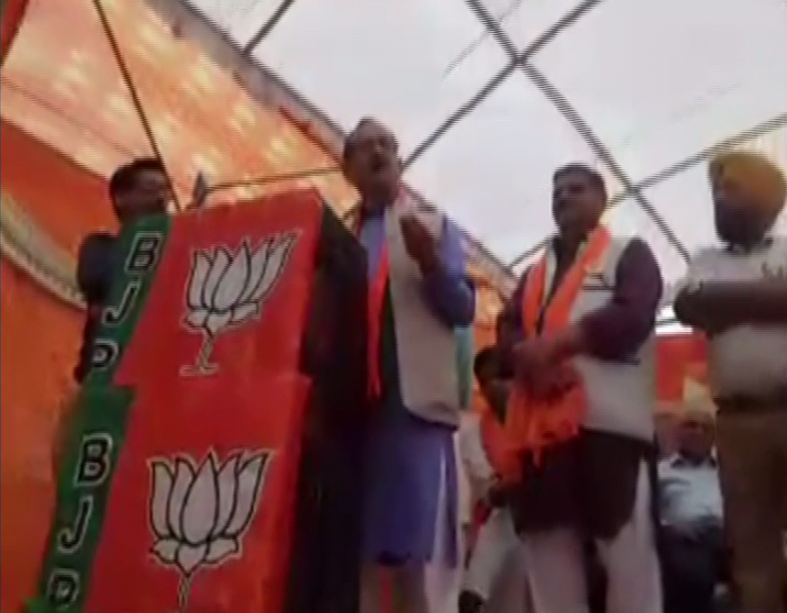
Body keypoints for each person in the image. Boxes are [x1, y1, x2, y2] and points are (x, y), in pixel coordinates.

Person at [499, 163, 663, 613]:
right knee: (550, 562)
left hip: (610, 430)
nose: (563, 197)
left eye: (576, 189)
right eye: (556, 192)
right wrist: (530, 364)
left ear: (602, 198)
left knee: (629, 564)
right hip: (541, 438)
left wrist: (559, 345)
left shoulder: (630, 253)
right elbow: (508, 329)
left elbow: (634, 314)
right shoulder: (533, 273)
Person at [342, 118, 475, 613]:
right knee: (363, 560)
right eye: (364, 147)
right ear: (347, 168)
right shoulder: (339, 236)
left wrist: (430, 263)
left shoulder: (434, 226)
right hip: (355, 416)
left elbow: (462, 310)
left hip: (413, 410)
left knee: (418, 558)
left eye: (387, 144)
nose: (378, 152)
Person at [674, 150, 787, 613]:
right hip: (738, 425)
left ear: (766, 199)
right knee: (752, 560)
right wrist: (772, 298)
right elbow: (688, 307)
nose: (720, 199)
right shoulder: (703, 259)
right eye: (716, 191)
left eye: (732, 189)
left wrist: (726, 303)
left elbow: (709, 305)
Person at [53, 158, 170, 473]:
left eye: (166, 190)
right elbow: (97, 279)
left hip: (147, 396)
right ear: (121, 198)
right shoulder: (101, 247)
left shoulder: (175, 254)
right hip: (96, 388)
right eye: (150, 189)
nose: (161, 199)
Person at [459, 347, 529, 613]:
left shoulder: (537, 422)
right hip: (498, 521)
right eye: (484, 382)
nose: (491, 389)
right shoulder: (476, 431)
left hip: (535, 527)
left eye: (498, 379)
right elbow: (490, 489)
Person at [658, 408, 725, 613]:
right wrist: (672, 528)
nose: (698, 432)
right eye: (691, 425)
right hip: (685, 538)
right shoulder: (661, 471)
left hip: (728, 535)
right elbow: (651, 515)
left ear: (714, 435)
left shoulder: (730, 468)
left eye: (705, 427)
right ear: (677, 433)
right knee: (689, 569)